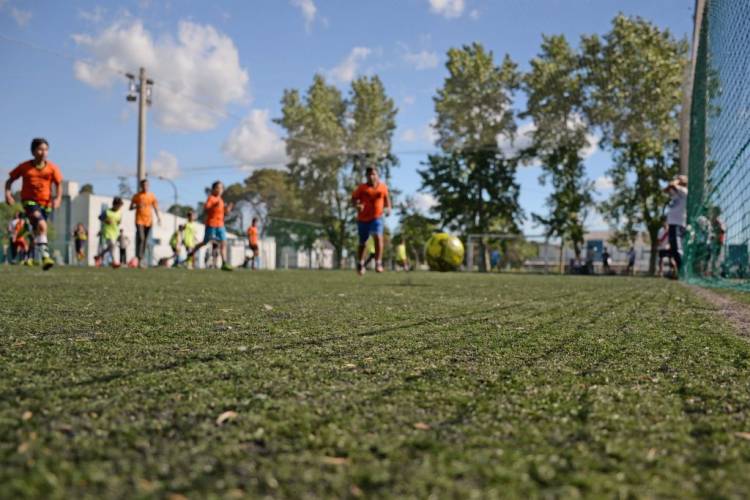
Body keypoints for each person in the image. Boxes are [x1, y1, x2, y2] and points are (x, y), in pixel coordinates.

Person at [4, 138, 63, 270]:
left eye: (46, 149)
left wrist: (58, 198)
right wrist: (8, 194)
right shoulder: (24, 167)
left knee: (38, 232)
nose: (44, 152)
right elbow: (9, 181)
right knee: (42, 225)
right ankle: (45, 256)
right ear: (33, 151)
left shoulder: (52, 168)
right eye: (40, 149)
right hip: (29, 202)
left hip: (46, 204)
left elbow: (58, 184)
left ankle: (30, 257)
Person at [352, 166, 391, 275]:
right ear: (366, 176)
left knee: (378, 237)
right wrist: (357, 205)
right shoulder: (361, 188)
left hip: (377, 217)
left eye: (373, 174)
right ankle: (360, 263)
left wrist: (388, 208)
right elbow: (354, 199)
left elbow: (386, 198)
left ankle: (378, 262)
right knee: (362, 243)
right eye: (369, 174)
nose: (371, 176)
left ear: (377, 175)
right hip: (363, 219)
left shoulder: (383, 187)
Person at [188, 181, 234, 271]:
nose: (220, 190)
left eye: (221, 188)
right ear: (213, 189)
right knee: (205, 242)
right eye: (218, 188)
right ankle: (192, 252)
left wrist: (228, 209)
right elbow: (206, 209)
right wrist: (213, 205)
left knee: (224, 243)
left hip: (220, 225)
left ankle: (224, 263)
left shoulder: (221, 200)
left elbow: (224, 213)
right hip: (211, 224)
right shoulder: (211, 198)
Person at [130, 178, 161, 268]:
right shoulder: (137, 196)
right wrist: (136, 206)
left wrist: (158, 217)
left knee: (145, 240)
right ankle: (139, 258)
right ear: (141, 186)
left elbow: (155, 207)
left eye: (147, 185)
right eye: (143, 185)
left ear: (149, 186)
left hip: (149, 221)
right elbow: (130, 207)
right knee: (141, 238)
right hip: (139, 220)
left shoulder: (151, 196)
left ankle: (141, 258)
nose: (145, 187)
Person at [663, 174, 688, 278]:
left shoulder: (683, 191)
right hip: (673, 224)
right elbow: (665, 190)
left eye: (679, 178)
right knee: (674, 249)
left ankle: (684, 273)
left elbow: (671, 184)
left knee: (677, 249)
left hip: (678, 223)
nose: (676, 179)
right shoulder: (676, 192)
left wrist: (676, 181)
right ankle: (680, 272)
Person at [94, 197, 124, 268]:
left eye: (120, 206)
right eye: (118, 205)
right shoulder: (107, 211)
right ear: (114, 204)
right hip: (107, 232)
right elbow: (100, 217)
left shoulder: (119, 213)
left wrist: (118, 223)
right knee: (112, 245)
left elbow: (119, 222)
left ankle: (98, 256)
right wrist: (106, 220)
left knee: (110, 247)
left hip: (115, 232)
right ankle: (114, 262)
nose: (119, 207)